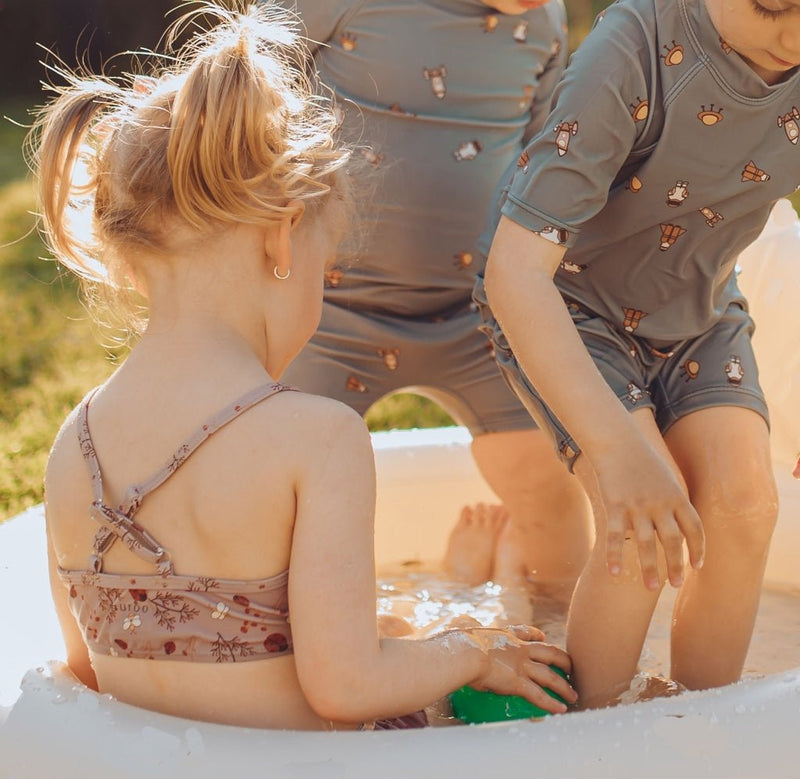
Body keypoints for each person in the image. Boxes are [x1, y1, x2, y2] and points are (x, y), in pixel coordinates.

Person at [35, 1, 576, 731]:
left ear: (134, 262)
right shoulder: (316, 438)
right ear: (285, 240)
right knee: (476, 660)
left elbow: (82, 675)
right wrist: (474, 654)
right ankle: (494, 589)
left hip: (158, 774)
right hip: (317, 771)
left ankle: (479, 578)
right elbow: (348, 685)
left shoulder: (76, 441)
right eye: (326, 266)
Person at [475, 0, 800, 708]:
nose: (796, 35)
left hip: (699, 308)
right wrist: (621, 455)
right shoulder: (636, 46)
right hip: (568, 302)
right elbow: (513, 274)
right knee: (644, 526)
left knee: (746, 508)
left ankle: (697, 738)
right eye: (774, 7)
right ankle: (584, 744)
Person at [275, 0, 593, 603]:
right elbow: (245, 82)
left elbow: (544, 155)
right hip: (326, 308)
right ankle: (327, 635)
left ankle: (551, 628)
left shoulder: (544, 23)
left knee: (548, 486)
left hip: (479, 312)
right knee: (282, 490)